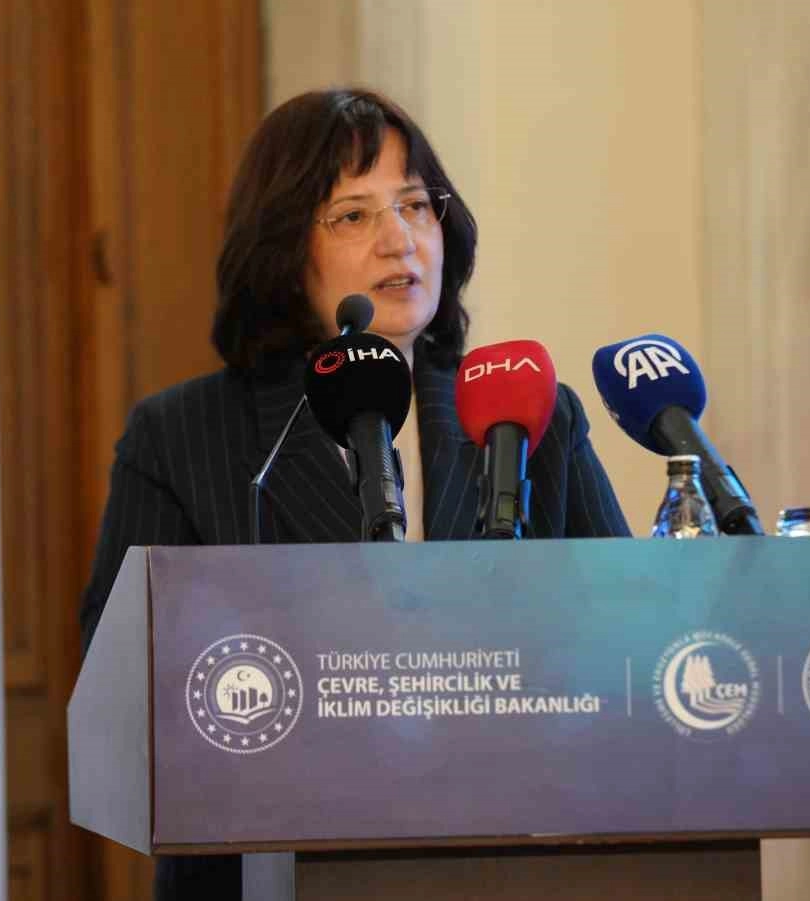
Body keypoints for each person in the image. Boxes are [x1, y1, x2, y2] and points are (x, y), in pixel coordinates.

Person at [76, 87, 631, 899]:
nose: (399, 238)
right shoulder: (183, 436)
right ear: (282, 248)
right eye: (353, 215)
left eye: (416, 205)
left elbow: (622, 638)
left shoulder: (530, 415)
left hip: (516, 863)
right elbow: (127, 685)